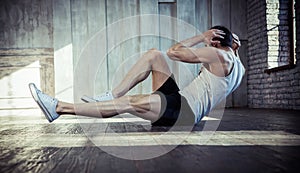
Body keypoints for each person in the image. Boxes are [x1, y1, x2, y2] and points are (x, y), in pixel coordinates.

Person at [29, 25, 245, 126]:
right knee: (154, 55)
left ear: (216, 42)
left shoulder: (217, 54)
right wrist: (231, 42)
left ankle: (59, 108)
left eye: (212, 39)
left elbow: (174, 52)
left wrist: (201, 37)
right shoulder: (238, 66)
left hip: (184, 112)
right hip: (180, 100)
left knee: (129, 103)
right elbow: (233, 45)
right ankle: (107, 96)